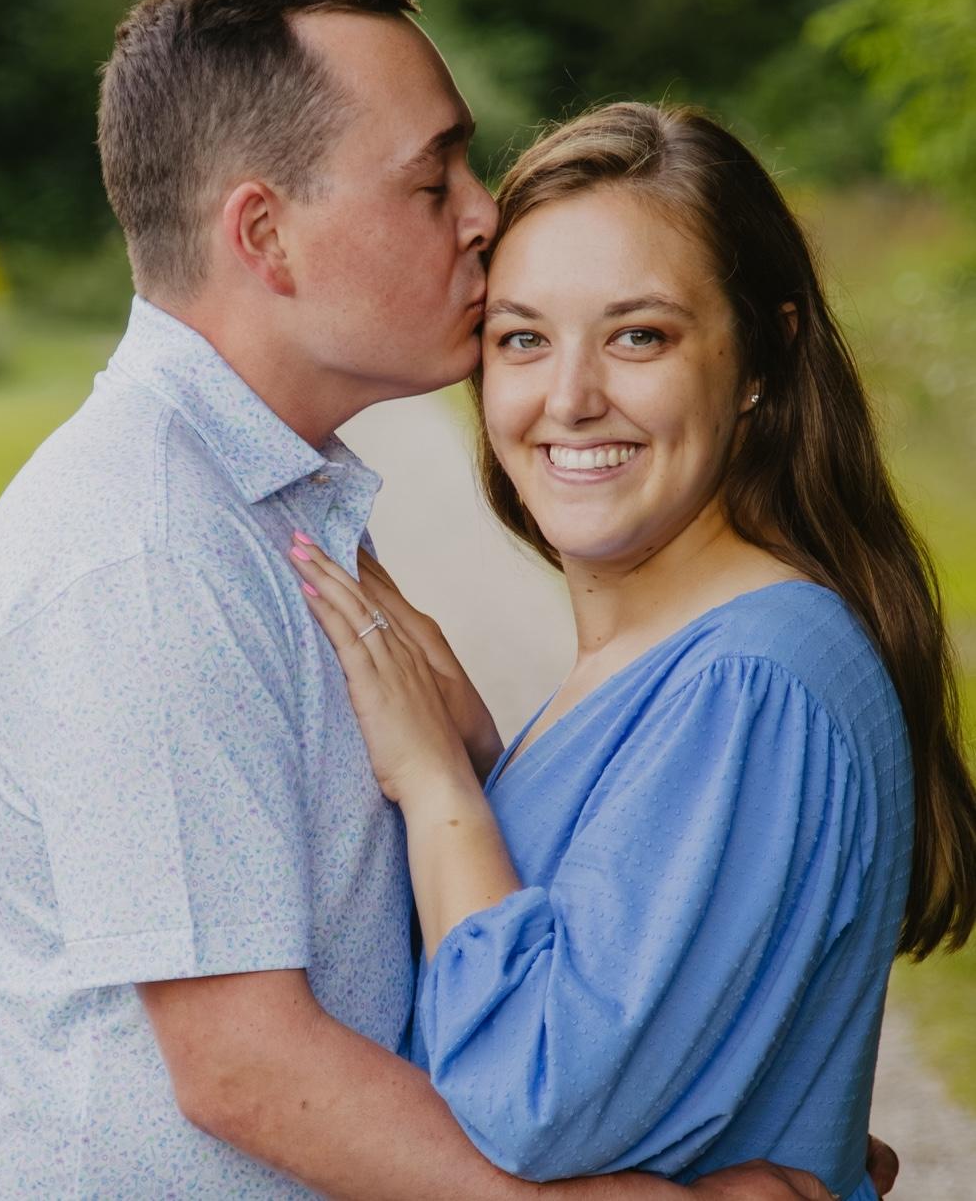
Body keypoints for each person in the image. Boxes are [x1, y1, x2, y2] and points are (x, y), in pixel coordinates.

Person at [0, 0, 874, 1199]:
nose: (481, 214)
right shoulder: (147, 550)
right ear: (265, 235)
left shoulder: (277, 501)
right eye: (431, 178)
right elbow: (244, 1064)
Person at [288, 102, 976, 1200]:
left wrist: (437, 789)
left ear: (762, 354)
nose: (568, 399)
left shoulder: (750, 681)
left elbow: (532, 1098)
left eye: (638, 335)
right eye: (522, 338)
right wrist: (481, 761)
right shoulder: (680, 654)